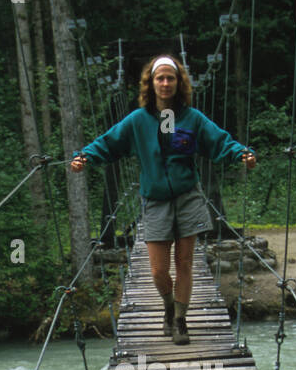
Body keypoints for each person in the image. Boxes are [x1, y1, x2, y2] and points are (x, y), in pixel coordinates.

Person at [71, 53, 256, 344]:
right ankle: (168, 308)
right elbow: (109, 141)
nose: (166, 83)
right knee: (158, 270)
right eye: (160, 78)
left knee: (184, 263)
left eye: (171, 78)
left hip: (188, 196)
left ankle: (181, 320)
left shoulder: (192, 118)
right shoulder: (138, 120)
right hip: (155, 200)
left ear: (178, 83)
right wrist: (83, 157)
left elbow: (219, 140)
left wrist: (241, 153)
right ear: (151, 83)